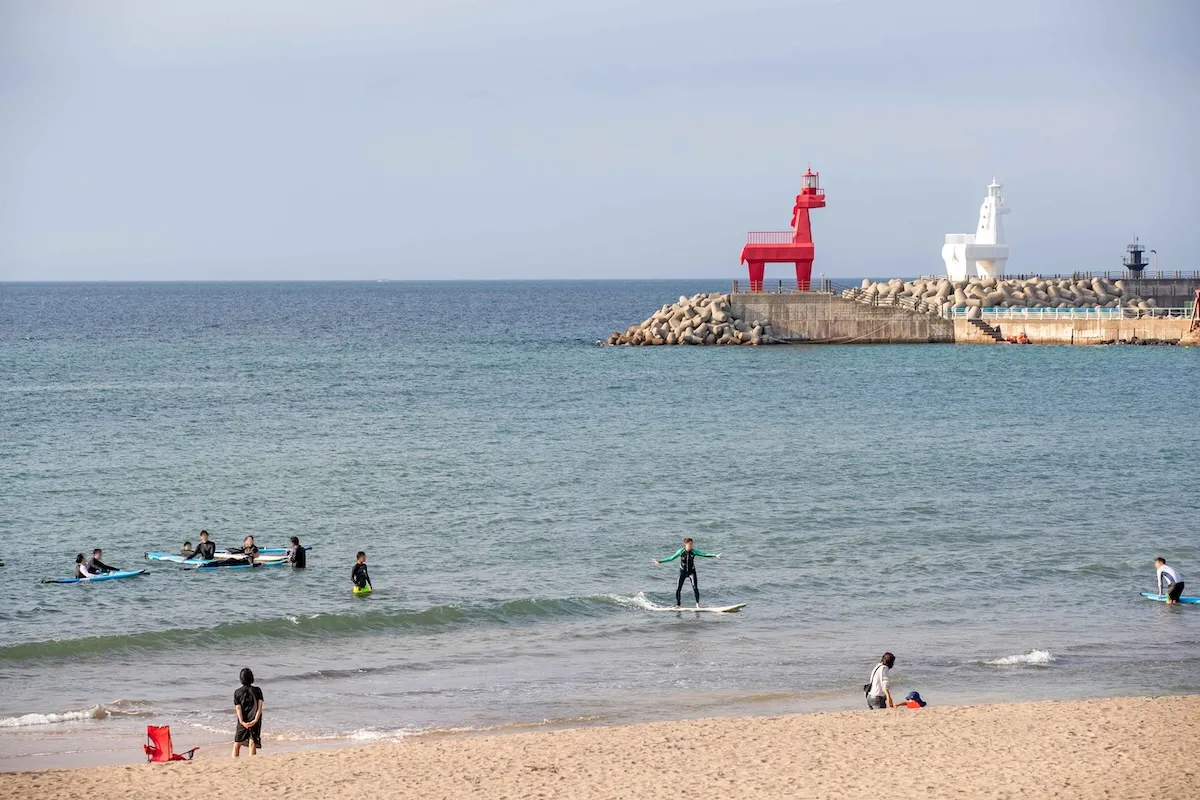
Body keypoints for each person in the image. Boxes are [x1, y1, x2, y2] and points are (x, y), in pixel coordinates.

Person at [653, 537, 721, 608]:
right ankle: (678, 605)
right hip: (682, 572)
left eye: (692, 544)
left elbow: (704, 554)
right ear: (685, 544)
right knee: (678, 588)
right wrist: (660, 561)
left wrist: (715, 555)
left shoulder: (694, 551)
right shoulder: (680, 551)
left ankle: (697, 604)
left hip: (692, 572)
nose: (691, 546)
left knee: (695, 587)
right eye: (689, 544)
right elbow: (671, 558)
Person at [232, 667, 264, 757]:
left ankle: (234, 761)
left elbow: (238, 709)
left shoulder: (237, 692)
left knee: (237, 744)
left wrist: (242, 722)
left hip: (243, 720)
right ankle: (252, 762)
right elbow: (260, 707)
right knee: (252, 742)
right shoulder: (257, 690)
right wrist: (255, 720)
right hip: (255, 719)